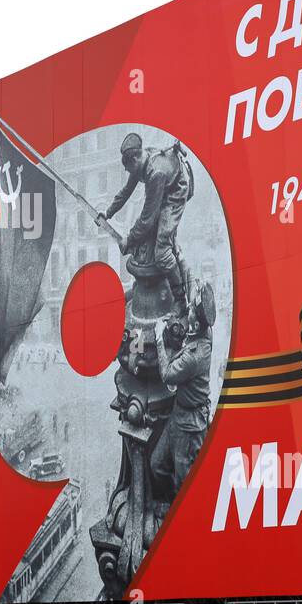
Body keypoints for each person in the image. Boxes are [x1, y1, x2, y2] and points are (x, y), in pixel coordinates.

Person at [99, 132, 193, 307]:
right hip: (164, 187)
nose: (127, 172)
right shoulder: (141, 159)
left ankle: (180, 298)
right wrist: (108, 212)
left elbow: (147, 219)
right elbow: (126, 191)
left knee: (162, 252)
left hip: (174, 193)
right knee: (150, 239)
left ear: (134, 159)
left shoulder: (154, 173)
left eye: (128, 168)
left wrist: (130, 239)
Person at [150, 283, 214, 501]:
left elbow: (167, 374)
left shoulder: (193, 357)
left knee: (183, 483)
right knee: (156, 464)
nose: (188, 314)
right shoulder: (206, 332)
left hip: (189, 427)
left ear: (195, 323)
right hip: (179, 415)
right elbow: (193, 298)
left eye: (191, 313)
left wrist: (159, 337)